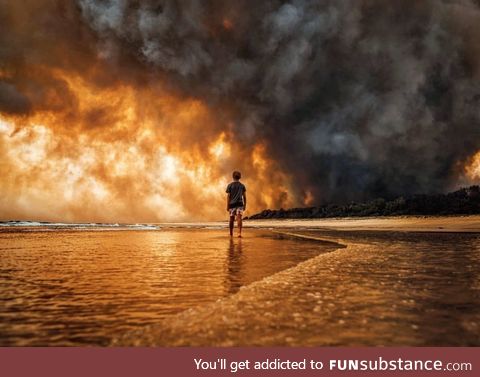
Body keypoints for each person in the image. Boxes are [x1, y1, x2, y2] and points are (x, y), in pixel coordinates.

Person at [226, 170, 247, 237]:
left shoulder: (230, 185)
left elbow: (228, 197)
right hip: (240, 204)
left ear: (233, 177)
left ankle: (231, 233)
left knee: (231, 219)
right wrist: (245, 205)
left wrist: (227, 206)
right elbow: (244, 197)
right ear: (240, 177)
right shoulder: (242, 186)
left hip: (232, 205)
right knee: (239, 219)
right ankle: (239, 233)